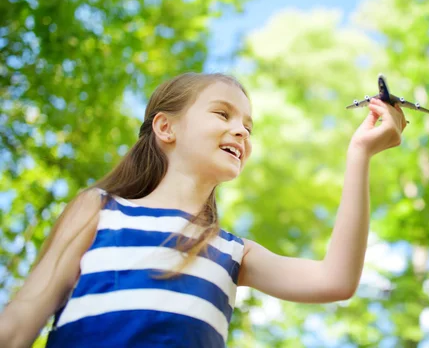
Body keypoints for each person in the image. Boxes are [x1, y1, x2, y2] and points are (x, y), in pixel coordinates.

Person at [0, 72, 407, 347]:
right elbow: (20, 322)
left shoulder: (233, 252)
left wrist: (360, 155)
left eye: (248, 126)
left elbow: (335, 280)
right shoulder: (100, 210)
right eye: (222, 114)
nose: (240, 131)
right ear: (166, 127)